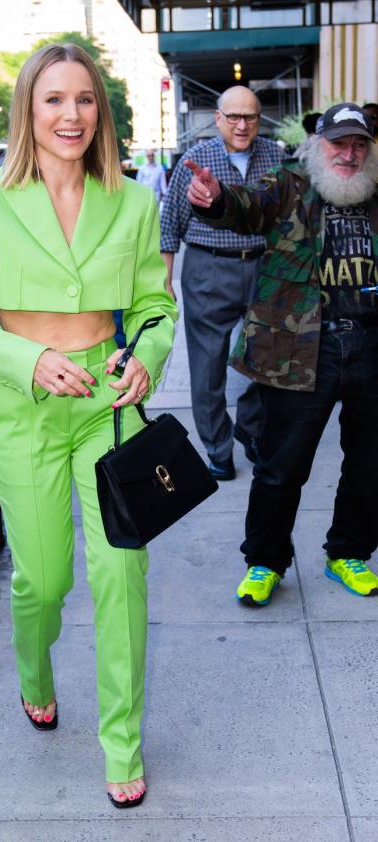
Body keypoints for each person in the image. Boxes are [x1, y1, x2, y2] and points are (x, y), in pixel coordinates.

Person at [0, 44, 177, 807]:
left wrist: (147, 359)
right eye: (53, 100)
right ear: (28, 112)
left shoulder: (134, 201)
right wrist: (28, 359)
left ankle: (122, 743)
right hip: (26, 411)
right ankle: (34, 673)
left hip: (111, 409)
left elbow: (152, 309)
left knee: (121, 574)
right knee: (44, 580)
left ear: (100, 111)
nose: (70, 115)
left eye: (84, 100)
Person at [186, 101, 378, 606]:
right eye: (340, 143)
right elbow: (246, 206)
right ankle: (265, 561)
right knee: (281, 467)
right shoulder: (289, 185)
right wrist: (214, 199)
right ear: (320, 145)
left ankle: (348, 553)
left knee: (369, 464)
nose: (350, 154)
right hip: (301, 350)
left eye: (359, 144)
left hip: (371, 347)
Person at [160, 86, 285, 480]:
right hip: (208, 268)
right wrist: (165, 280)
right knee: (208, 365)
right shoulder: (196, 160)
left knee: (267, 359)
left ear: (259, 118)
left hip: (263, 267)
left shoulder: (275, 156)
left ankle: (249, 429)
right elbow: (170, 225)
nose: (242, 124)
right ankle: (218, 449)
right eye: (233, 117)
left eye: (250, 116)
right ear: (218, 119)